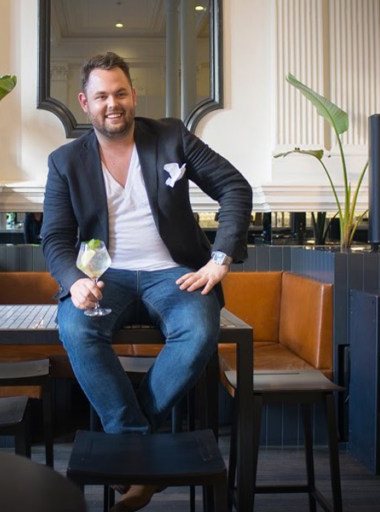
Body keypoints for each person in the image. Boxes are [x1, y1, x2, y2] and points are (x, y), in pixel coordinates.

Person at [40, 52, 252, 511]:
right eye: (101, 96)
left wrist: (221, 258)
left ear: (133, 95)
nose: (112, 103)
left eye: (120, 93)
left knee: (199, 331)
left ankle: (128, 449)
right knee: (76, 328)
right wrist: (74, 281)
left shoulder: (172, 137)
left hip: (174, 273)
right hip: (104, 277)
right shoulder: (65, 161)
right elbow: (55, 238)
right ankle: (142, 452)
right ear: (85, 102)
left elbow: (235, 187)